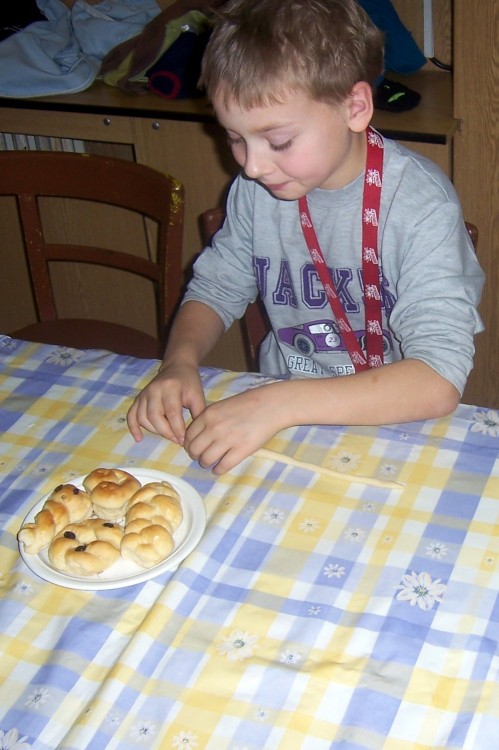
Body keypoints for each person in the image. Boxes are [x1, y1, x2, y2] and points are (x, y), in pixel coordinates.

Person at [127, 0, 484, 475]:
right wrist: (179, 361)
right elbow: (215, 288)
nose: (252, 167)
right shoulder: (257, 191)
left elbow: (438, 378)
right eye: (235, 138)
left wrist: (278, 403)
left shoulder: (420, 206)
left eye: (278, 142)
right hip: (282, 415)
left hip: (391, 418)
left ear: (354, 108)